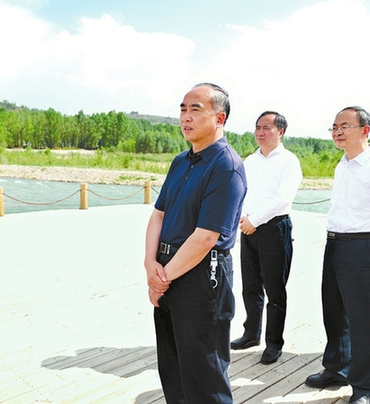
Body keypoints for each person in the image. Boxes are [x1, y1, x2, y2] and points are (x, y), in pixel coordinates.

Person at [144, 83, 247, 403]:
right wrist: (150, 264)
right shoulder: (181, 161)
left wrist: (162, 279)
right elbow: (158, 215)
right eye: (183, 109)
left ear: (220, 118)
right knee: (173, 367)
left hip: (202, 276)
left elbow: (205, 237)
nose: (186, 117)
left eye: (195, 110)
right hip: (166, 269)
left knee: (204, 374)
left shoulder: (226, 166)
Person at [304, 106, 370, 404]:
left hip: (364, 247)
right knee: (335, 314)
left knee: (362, 321)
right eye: (334, 127)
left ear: (365, 130)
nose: (337, 131)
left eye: (344, 126)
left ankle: (364, 387)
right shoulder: (343, 164)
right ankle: (337, 369)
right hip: (335, 245)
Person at [230, 111, 302, 366]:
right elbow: (241, 191)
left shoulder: (289, 161)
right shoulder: (250, 160)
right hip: (248, 227)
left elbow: (283, 198)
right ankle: (251, 334)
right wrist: (243, 218)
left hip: (274, 229)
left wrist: (255, 220)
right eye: (257, 127)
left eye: (266, 128)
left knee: (275, 291)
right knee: (250, 286)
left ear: (280, 132)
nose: (260, 132)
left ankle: (274, 343)